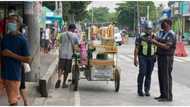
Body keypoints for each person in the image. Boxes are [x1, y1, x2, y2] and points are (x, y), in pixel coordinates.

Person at [1, 15, 31, 106]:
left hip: (13, 74)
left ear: (18, 24)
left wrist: (11, 54)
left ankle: (26, 102)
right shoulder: (5, 38)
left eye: (12, 22)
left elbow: (28, 59)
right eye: (8, 22)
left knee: (13, 101)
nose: (9, 24)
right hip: (3, 73)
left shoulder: (22, 40)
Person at [152, 19, 176, 102]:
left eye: (164, 24)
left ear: (169, 25)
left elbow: (167, 47)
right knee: (161, 76)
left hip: (167, 58)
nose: (162, 25)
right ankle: (163, 94)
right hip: (161, 57)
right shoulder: (163, 33)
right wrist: (154, 39)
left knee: (166, 77)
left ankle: (168, 96)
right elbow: (159, 40)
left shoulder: (171, 34)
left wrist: (155, 42)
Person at [134, 20, 157, 97]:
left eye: (150, 29)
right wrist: (135, 58)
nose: (149, 30)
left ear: (152, 29)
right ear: (144, 29)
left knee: (148, 74)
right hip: (142, 57)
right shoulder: (140, 37)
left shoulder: (155, 36)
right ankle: (139, 90)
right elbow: (136, 48)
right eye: (147, 29)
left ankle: (147, 90)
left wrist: (155, 57)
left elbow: (157, 47)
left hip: (152, 57)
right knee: (142, 73)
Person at [55, 24, 79, 88]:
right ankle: (64, 83)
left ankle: (59, 79)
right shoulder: (75, 35)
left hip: (62, 54)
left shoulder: (62, 34)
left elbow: (58, 43)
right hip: (69, 55)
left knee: (60, 68)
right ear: (73, 29)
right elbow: (77, 44)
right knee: (66, 70)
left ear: (68, 28)